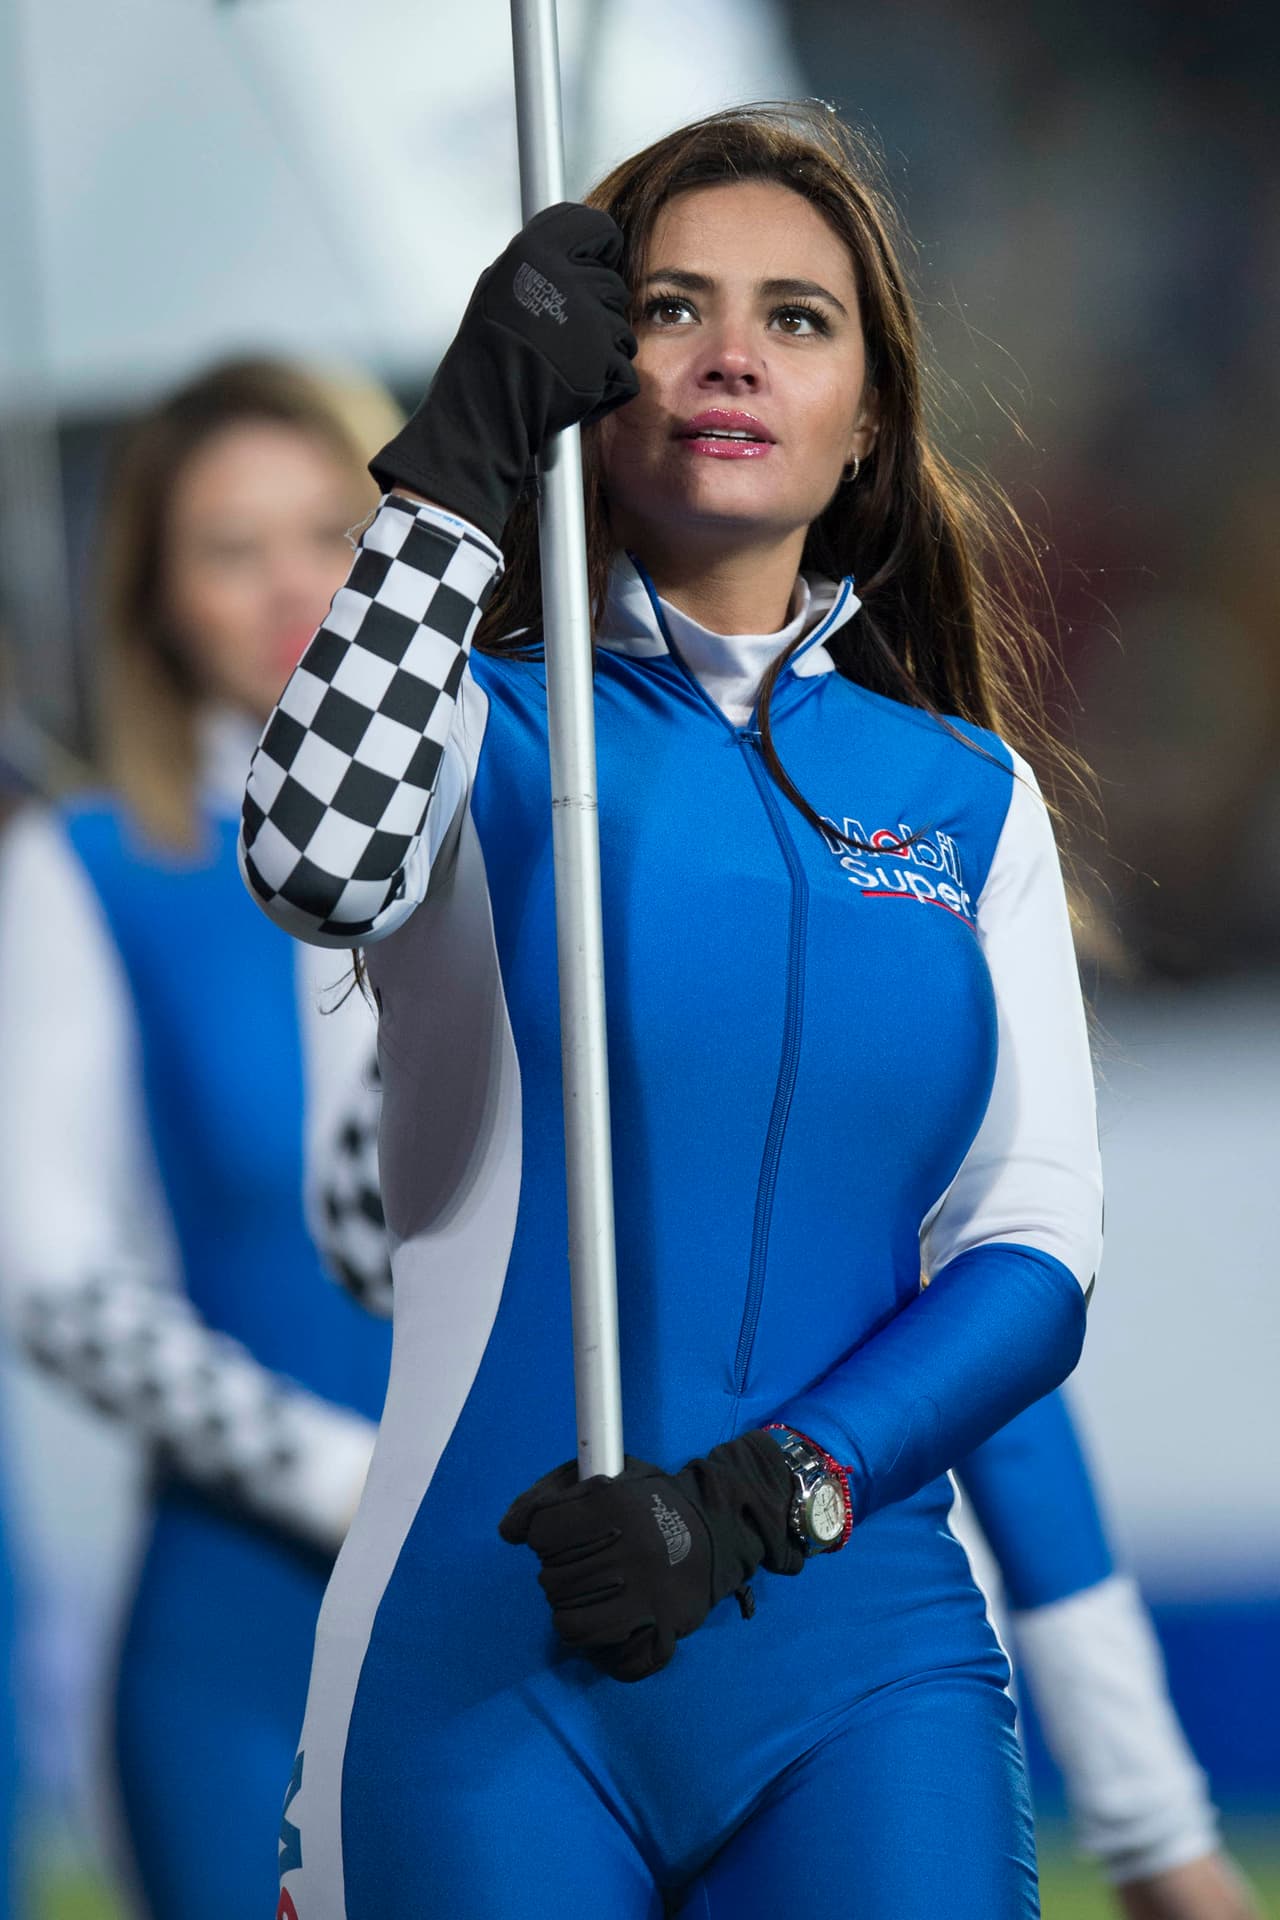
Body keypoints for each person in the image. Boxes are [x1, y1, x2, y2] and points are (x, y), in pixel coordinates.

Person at [243, 105, 1103, 1918]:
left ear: (870, 414)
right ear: (584, 372)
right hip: (478, 1682)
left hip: (862, 1667)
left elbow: (1033, 1254)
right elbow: (309, 854)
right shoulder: (475, 735)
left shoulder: (969, 797)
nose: (730, 353)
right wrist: (455, 467)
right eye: (670, 307)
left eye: (798, 318)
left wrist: (758, 1504)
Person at [314, 1058, 1260, 1920]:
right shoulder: (498, 894)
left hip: (853, 1668)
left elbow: (1021, 1353)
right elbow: (363, 1239)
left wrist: (1150, 1819)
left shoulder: (954, 925)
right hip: (524, 1645)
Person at [0, 359, 397, 1919]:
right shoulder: (91, 869)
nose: (293, 583)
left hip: (534, 1599)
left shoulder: (541, 833)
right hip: (246, 1632)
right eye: (228, 548)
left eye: (330, 527)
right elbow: (46, 1274)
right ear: (156, 599)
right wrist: (340, 1475)